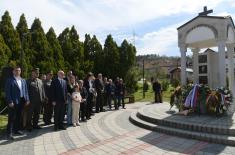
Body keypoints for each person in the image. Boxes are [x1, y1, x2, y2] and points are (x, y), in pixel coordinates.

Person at [5, 66, 30, 140]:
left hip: (22, 101)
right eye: (16, 70)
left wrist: (27, 99)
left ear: (20, 71)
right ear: (13, 71)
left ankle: (17, 130)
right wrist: (10, 101)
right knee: (11, 118)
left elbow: (25, 91)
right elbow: (7, 92)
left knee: (19, 117)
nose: (17, 72)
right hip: (13, 102)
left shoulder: (23, 80)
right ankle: (9, 133)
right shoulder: (9, 80)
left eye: (19, 70)